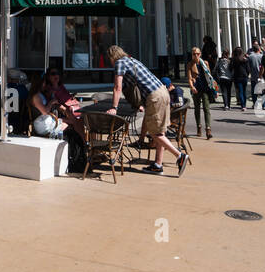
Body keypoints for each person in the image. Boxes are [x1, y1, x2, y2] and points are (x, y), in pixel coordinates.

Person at [106, 45, 188, 176]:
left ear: (112, 56)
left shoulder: (119, 63)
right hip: (163, 92)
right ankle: (158, 165)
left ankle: (179, 156)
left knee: (155, 133)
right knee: (160, 131)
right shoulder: (132, 60)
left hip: (154, 96)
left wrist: (114, 107)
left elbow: (117, 87)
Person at [42, 67, 86, 141]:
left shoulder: (61, 87)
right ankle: (84, 143)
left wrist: (73, 101)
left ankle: (83, 143)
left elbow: (68, 98)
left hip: (69, 110)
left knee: (82, 119)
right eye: (53, 74)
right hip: (59, 113)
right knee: (77, 121)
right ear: (48, 77)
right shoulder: (49, 89)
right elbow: (55, 103)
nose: (56, 76)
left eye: (57, 74)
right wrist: (66, 106)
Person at [247, 43, 263, 110]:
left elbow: (248, 66)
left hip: (253, 75)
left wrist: (249, 72)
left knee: (254, 91)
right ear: (259, 49)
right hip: (261, 75)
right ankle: (263, 105)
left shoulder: (250, 56)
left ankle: (255, 104)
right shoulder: (262, 56)